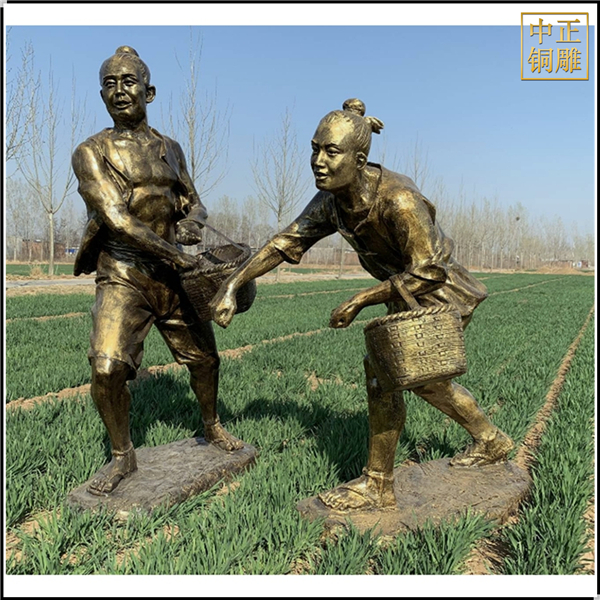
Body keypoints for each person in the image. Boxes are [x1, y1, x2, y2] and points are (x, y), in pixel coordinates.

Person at [210, 99, 514, 511]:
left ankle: (378, 484)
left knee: (385, 377)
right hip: (403, 291)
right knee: (427, 383)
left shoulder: (399, 200)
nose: (318, 162)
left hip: (438, 293)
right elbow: (286, 242)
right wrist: (233, 283)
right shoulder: (332, 201)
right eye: (315, 149)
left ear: (359, 159)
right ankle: (490, 439)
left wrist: (360, 299)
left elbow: (429, 270)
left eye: (331, 152)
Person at [72, 46, 242, 496]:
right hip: (124, 273)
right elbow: (117, 219)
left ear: (149, 92)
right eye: (109, 83)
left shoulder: (171, 149)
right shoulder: (91, 152)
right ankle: (122, 455)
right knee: (106, 368)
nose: (118, 90)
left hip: (175, 276)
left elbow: (195, 202)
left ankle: (212, 424)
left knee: (205, 361)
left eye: (128, 81)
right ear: (101, 95)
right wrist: (174, 255)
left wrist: (192, 222)